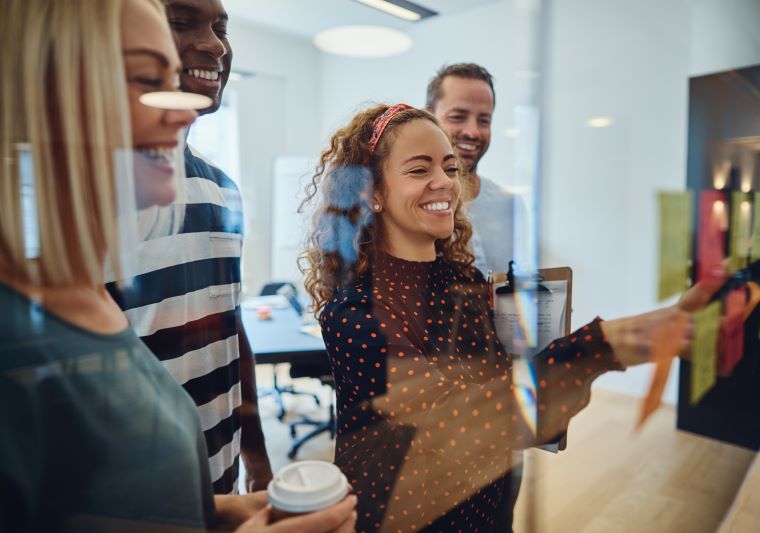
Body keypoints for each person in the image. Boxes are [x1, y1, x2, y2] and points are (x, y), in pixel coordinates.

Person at [0, 0, 359, 531]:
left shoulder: (213, 197)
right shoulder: (27, 323)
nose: (184, 110)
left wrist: (226, 497)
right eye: (150, 76)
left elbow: (227, 328)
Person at [300, 103, 721, 532]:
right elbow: (456, 427)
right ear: (372, 192)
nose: (444, 182)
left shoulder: (467, 283)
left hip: (485, 509)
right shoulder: (353, 314)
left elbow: (514, 402)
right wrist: (604, 344)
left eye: (449, 167)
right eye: (418, 170)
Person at [105, 0, 271, 495]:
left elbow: (229, 325)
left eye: (221, 27)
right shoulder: (83, 202)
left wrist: (256, 451)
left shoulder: (222, 190)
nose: (215, 45)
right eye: (182, 22)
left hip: (220, 485)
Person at [426, 63, 519, 275]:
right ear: (428, 118)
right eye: (458, 117)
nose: (473, 132)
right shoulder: (412, 203)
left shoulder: (511, 207)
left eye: (484, 120)